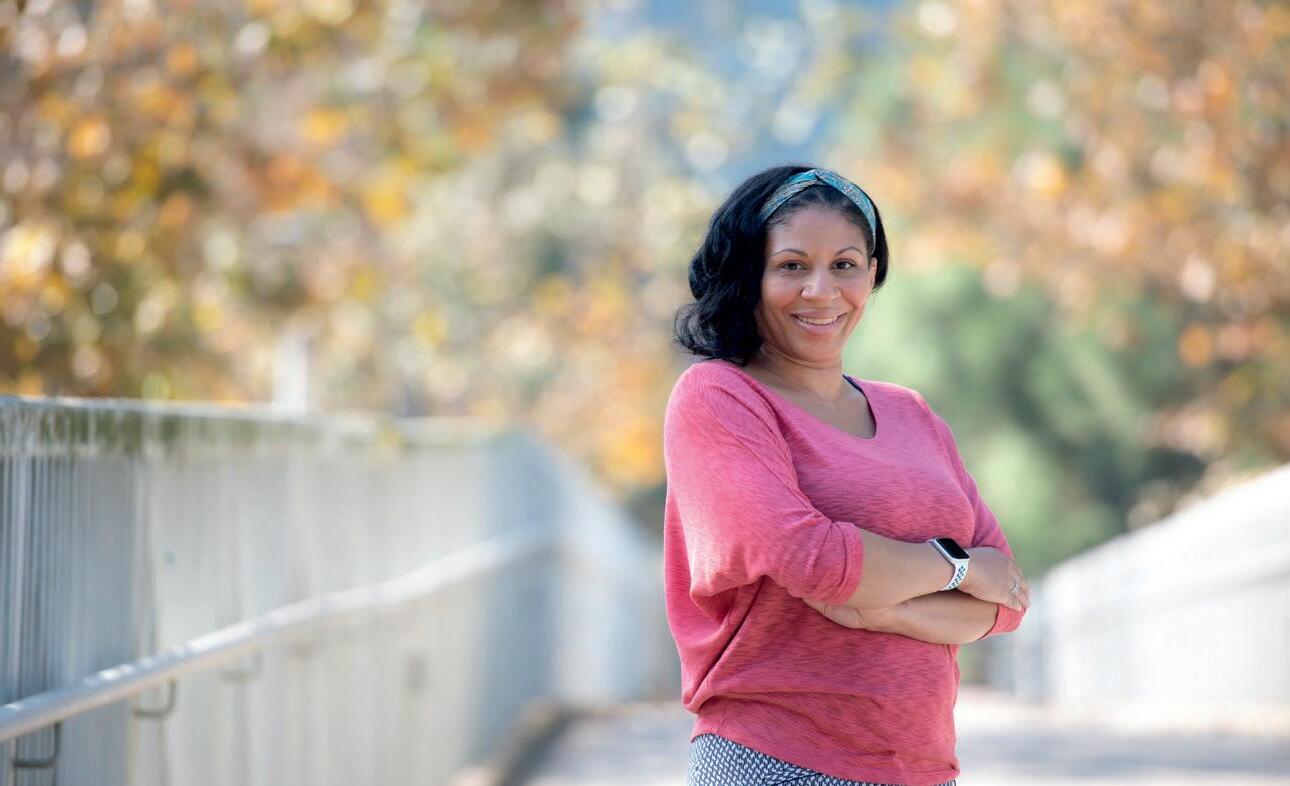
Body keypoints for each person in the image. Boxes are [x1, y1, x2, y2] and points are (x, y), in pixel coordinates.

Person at [663, 165, 1031, 786]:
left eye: (844, 265)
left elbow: (1007, 600)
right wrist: (959, 569)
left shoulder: (912, 414)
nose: (820, 290)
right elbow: (814, 560)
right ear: (749, 273)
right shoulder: (719, 397)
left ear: (871, 274)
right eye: (791, 266)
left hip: (924, 769)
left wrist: (885, 612)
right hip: (775, 760)